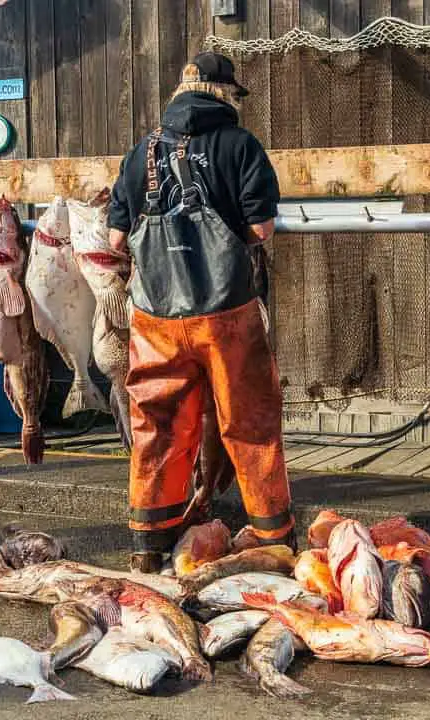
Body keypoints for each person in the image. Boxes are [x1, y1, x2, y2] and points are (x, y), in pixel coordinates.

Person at [107, 52, 294, 573]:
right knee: (248, 422)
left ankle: (150, 541)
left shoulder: (140, 152)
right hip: (225, 314)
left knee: (157, 426)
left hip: (155, 319)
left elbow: (116, 238)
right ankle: (271, 536)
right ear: (225, 94)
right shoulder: (240, 146)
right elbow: (260, 230)